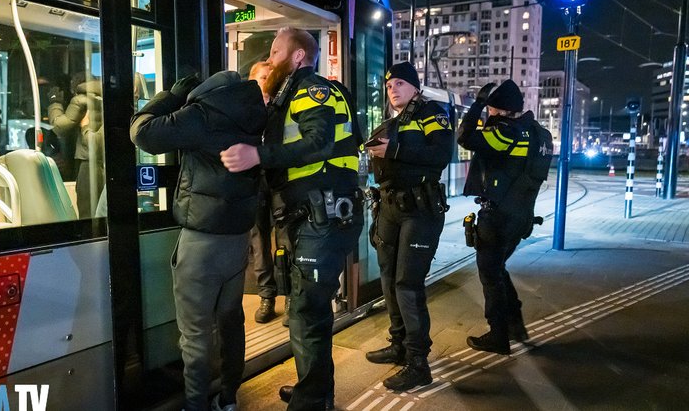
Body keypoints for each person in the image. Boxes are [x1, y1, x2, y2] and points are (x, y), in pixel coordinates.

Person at [220, 27, 363, 411]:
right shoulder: (290, 94)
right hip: (315, 214)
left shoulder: (312, 90)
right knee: (304, 307)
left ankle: (313, 400)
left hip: (323, 215)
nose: (270, 56)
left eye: (276, 49)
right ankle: (312, 389)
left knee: (307, 310)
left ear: (298, 56)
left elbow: (320, 142)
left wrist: (258, 156)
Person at [131, 71, 267, 411]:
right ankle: (229, 398)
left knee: (195, 336)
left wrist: (172, 96)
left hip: (201, 243)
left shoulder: (202, 114)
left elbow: (142, 132)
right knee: (231, 322)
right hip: (237, 239)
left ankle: (196, 406)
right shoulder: (256, 113)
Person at [364, 61, 453, 390]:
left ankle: (418, 363)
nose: (393, 89)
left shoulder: (433, 112)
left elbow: (442, 153)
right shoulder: (392, 121)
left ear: (415, 87)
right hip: (390, 207)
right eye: (389, 85)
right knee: (388, 279)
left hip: (420, 210)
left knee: (407, 284)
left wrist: (395, 149)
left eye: (400, 83)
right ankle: (399, 345)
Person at [457, 79, 552, 354]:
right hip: (522, 216)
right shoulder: (540, 135)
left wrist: (476, 104)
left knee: (490, 274)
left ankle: (498, 335)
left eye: (490, 109)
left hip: (498, 216)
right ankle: (514, 323)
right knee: (497, 269)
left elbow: (465, 137)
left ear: (497, 109)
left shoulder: (506, 132)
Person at [246, 61, 281, 324]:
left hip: (281, 179)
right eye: (262, 77)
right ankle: (267, 295)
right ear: (252, 80)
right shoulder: (244, 110)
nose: (267, 81)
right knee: (259, 240)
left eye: (271, 77)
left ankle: (290, 296)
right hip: (255, 181)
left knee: (287, 238)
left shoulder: (283, 107)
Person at [48, 79, 105, 218]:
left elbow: (59, 126)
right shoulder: (108, 98)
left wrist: (55, 103)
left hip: (87, 162)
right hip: (103, 161)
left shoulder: (81, 100)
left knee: (87, 212)